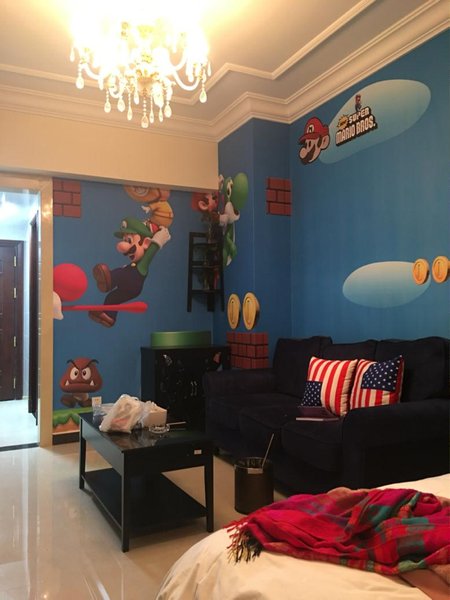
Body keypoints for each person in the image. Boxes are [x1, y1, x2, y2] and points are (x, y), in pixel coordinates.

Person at [89, 216, 170, 327]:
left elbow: (151, 252)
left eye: (129, 241)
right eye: (124, 240)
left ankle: (109, 281)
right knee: (112, 297)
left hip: (132, 285)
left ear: (145, 243)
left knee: (121, 273)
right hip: (130, 289)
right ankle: (108, 316)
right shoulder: (133, 265)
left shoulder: (142, 265)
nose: (124, 248)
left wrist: (157, 241)